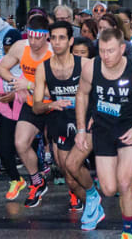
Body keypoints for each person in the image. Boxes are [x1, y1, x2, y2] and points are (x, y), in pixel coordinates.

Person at [72, 28, 132, 237]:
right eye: (101, 51)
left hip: (130, 128)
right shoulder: (91, 68)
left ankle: (127, 230)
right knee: (109, 189)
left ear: (122, 49)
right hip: (103, 128)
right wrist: (81, 129)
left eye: (110, 51)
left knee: (124, 182)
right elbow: (81, 95)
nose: (105, 56)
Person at [0, 14, 54, 205]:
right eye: (31, 37)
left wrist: (27, 85)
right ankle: (36, 181)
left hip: (53, 105)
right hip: (31, 105)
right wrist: (15, 82)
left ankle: (75, 190)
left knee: (62, 157)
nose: (34, 42)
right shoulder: (21, 47)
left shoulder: (54, 53)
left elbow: (56, 89)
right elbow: (1, 69)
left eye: (38, 38)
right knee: (20, 144)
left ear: (47, 36)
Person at [31, 21, 88, 212]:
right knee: (69, 175)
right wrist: (51, 104)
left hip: (84, 123)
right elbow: (36, 107)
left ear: (71, 41)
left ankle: (93, 198)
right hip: (60, 123)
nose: (56, 42)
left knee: (76, 167)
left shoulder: (85, 65)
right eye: (53, 38)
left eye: (62, 38)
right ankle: (91, 202)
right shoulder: (43, 68)